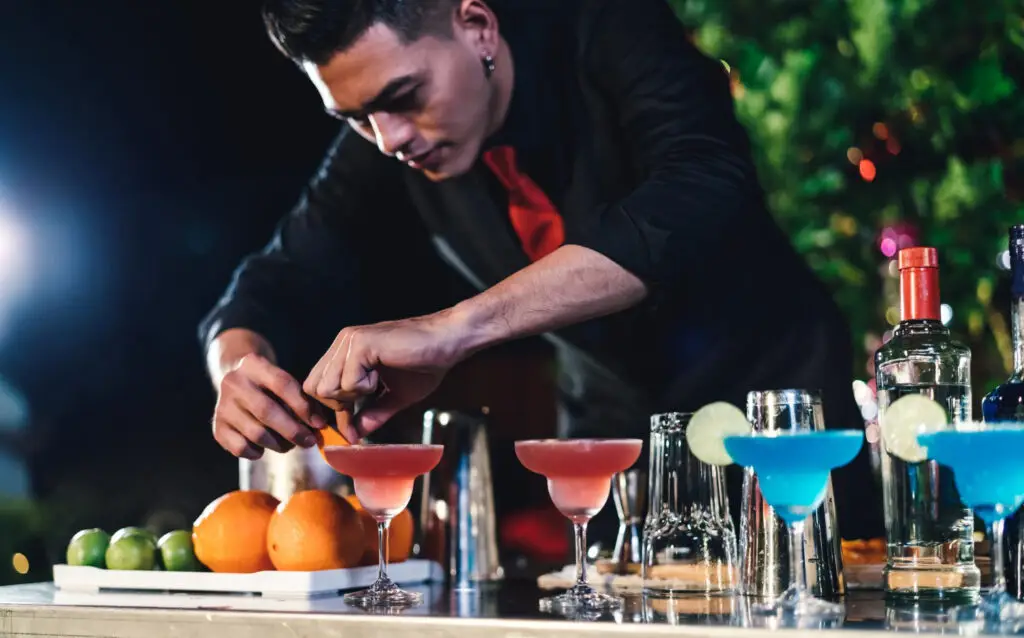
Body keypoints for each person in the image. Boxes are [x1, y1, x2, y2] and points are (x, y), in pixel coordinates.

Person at [199, 0, 883, 539]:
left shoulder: (604, 23)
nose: (387, 139)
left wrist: (453, 331)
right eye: (355, 117)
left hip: (775, 413)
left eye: (403, 95)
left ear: (476, 26)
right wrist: (236, 369)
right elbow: (273, 280)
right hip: (614, 447)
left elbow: (701, 189)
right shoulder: (391, 140)